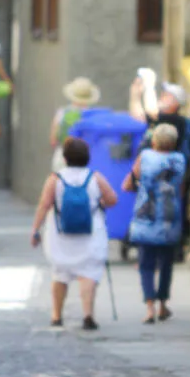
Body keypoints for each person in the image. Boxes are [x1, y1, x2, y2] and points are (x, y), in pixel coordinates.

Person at [30, 137, 118, 330]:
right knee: (88, 272)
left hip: (60, 235)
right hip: (90, 233)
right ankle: (87, 315)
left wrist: (35, 230)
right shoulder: (95, 177)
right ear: (87, 156)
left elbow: (44, 205)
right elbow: (112, 199)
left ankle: (56, 316)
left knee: (60, 274)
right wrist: (99, 205)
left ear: (65, 157)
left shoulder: (56, 178)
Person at [122, 123, 186, 324]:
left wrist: (142, 188)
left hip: (146, 217)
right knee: (167, 263)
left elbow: (128, 184)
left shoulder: (145, 157)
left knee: (146, 264)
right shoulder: (179, 160)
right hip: (169, 217)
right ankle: (163, 306)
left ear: (155, 141)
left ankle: (149, 308)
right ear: (174, 142)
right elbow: (180, 189)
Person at [129, 77, 190, 261]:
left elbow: (143, 113)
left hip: (161, 177)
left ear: (175, 102)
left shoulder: (170, 120)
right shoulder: (180, 122)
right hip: (172, 179)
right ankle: (167, 251)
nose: (161, 98)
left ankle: (154, 252)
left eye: (166, 96)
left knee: (154, 212)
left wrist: (140, 92)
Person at [50, 77, 101, 170]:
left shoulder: (62, 113)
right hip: (86, 161)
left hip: (62, 158)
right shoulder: (92, 116)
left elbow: (53, 141)